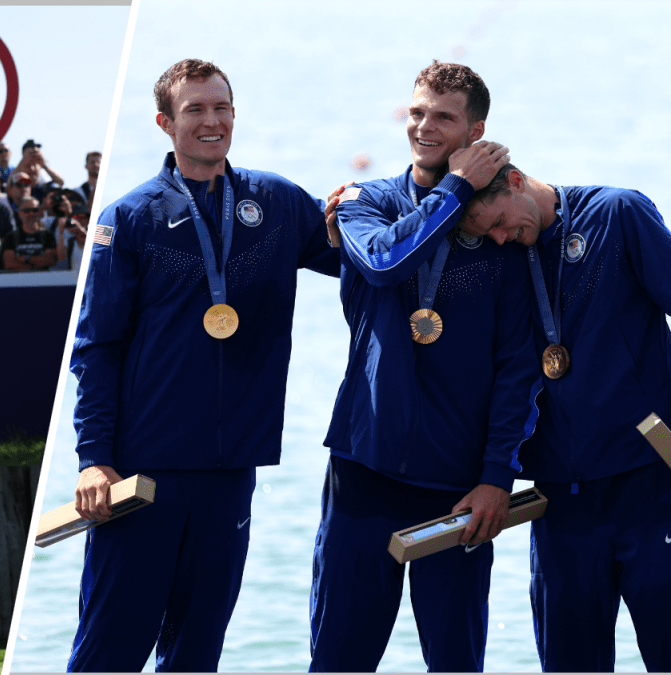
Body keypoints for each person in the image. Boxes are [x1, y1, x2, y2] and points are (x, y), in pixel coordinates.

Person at [67, 58, 338, 672]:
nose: (211, 121)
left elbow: (367, 261)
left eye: (221, 108)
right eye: (195, 110)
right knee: (110, 649)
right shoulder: (128, 218)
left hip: (231, 468)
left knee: (198, 655)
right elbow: (96, 349)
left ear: (234, 115)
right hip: (143, 472)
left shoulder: (276, 202)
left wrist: (434, 202)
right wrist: (93, 459)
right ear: (165, 122)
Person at [316, 61, 537, 672]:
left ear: (475, 130)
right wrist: (455, 189)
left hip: (459, 489)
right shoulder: (366, 201)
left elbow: (518, 366)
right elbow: (385, 262)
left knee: (457, 663)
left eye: (443, 116)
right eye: (417, 112)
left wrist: (498, 476)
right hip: (365, 472)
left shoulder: (500, 233)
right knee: (337, 660)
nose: (424, 126)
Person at [459, 163, 671, 672]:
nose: (501, 238)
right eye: (488, 232)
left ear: (514, 180)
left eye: (501, 222)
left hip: (650, 483)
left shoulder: (619, 212)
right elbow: (509, 375)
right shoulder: (505, 255)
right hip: (561, 500)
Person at [0, 197, 56, 271]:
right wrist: (34, 266)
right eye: (27, 211)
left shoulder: (48, 235)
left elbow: (50, 260)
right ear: (19, 214)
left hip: (43, 281)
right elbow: (9, 263)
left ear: (39, 212)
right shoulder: (11, 237)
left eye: (35, 210)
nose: (31, 213)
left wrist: (26, 258)